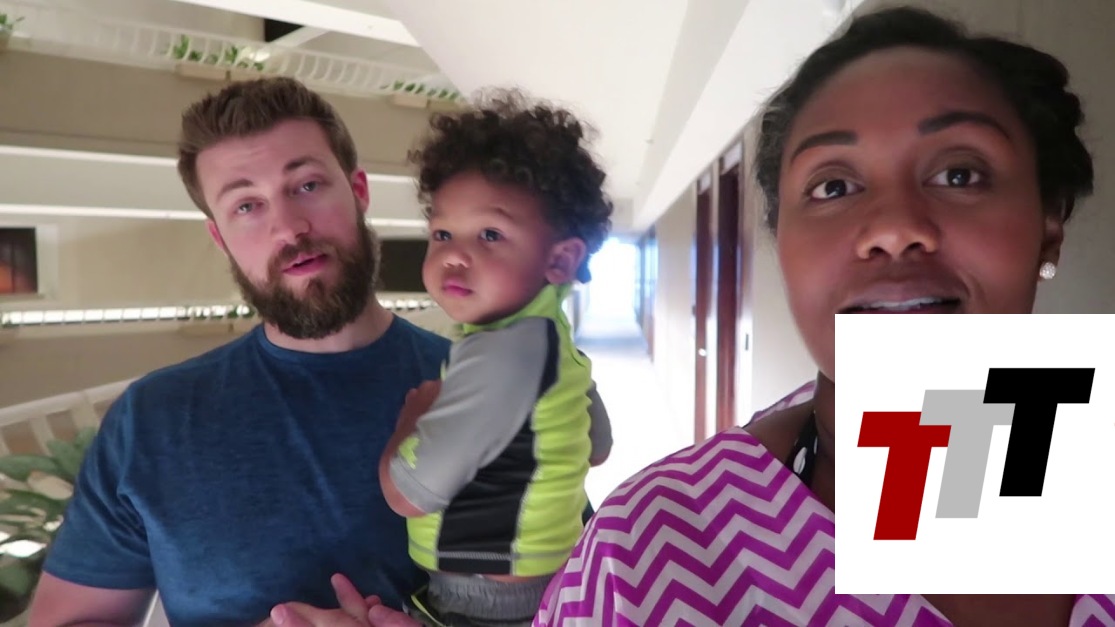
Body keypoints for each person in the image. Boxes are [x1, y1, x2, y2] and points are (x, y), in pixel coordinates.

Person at [535, 6, 1115, 626]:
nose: (894, 228)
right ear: (781, 242)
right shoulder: (646, 552)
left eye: (959, 174)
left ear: (1048, 225)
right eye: (833, 187)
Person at [29, 77, 451, 627]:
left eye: (307, 185)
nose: (289, 228)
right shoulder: (153, 420)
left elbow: (562, 599)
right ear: (219, 237)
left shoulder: (481, 387)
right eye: (247, 205)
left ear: (359, 191)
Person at [378, 90, 615, 627]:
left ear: (560, 259)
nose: (454, 254)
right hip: (542, 579)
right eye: (442, 233)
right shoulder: (554, 342)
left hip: (484, 600)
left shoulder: (501, 355)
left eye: (490, 234)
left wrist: (410, 421)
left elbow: (408, 495)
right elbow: (596, 446)